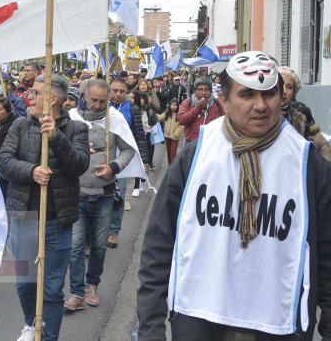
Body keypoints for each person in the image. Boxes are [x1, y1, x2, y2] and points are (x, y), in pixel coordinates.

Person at [137, 51, 331, 340]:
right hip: (200, 317)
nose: (261, 105)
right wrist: (151, 327)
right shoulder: (197, 154)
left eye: (270, 94)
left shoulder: (307, 163)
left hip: (277, 322)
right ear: (224, 101)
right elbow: (159, 242)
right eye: (247, 95)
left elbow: (326, 253)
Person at [0, 74, 90, 341]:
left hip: (57, 221)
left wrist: (57, 137)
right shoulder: (20, 125)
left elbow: (79, 165)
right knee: (25, 284)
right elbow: (3, 161)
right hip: (24, 218)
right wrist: (31, 171)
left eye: (36, 93)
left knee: (51, 289)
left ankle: (47, 336)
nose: (30, 97)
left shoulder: (77, 129)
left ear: (53, 100)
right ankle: (31, 323)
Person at [65, 79, 137, 313]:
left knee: (99, 246)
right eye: (93, 100)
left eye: (102, 101)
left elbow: (128, 149)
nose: (96, 106)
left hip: (105, 194)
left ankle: (91, 286)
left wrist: (114, 167)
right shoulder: (70, 119)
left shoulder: (115, 119)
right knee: (75, 246)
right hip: (77, 193)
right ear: (84, 95)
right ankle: (76, 292)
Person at [107, 78, 151, 248]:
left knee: (118, 195)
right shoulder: (101, 106)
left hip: (121, 159)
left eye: (121, 91)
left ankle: (113, 231)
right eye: (114, 90)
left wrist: (145, 159)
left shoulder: (132, 110)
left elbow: (139, 135)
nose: (118, 94)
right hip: (101, 156)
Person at [279, 66, 331, 161]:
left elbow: (323, 147)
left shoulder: (301, 117)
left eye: (289, 87)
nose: (284, 91)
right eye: (280, 85)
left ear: (295, 93)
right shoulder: (262, 115)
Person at [176, 76, 223, 144]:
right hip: (191, 143)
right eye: (200, 89)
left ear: (210, 91)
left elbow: (224, 123)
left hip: (212, 143)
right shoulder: (188, 102)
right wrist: (198, 107)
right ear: (195, 91)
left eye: (206, 89)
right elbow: (181, 120)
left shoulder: (217, 104)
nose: (203, 92)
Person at [157, 99, 183, 165]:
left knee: (173, 152)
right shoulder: (167, 113)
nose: (174, 107)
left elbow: (182, 125)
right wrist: (153, 112)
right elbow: (160, 118)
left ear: (177, 106)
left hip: (175, 136)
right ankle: (170, 165)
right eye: (172, 105)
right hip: (167, 135)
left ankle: (172, 166)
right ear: (169, 106)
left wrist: (177, 133)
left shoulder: (179, 114)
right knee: (168, 151)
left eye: (175, 105)